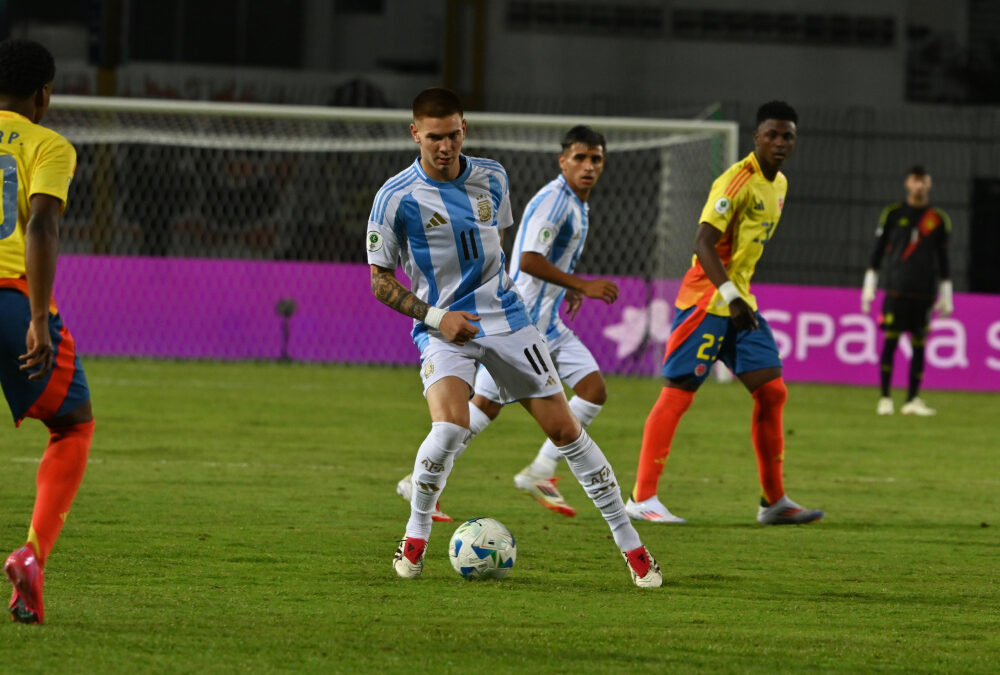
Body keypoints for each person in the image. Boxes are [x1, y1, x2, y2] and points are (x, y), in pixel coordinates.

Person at [368, 88, 661, 587]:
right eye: (434, 137)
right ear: (415, 133)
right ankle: (414, 538)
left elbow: (497, 249)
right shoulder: (394, 197)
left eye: (454, 134)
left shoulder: (492, 176)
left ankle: (634, 550)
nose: (445, 146)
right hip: (442, 328)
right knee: (449, 429)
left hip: (508, 320)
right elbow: (379, 283)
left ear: (466, 129)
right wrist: (439, 318)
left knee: (567, 431)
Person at [395, 125, 619, 518]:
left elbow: (542, 261)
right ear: (562, 160)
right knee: (481, 407)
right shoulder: (554, 201)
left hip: (548, 320)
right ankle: (420, 480)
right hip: (520, 320)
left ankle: (541, 470)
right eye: (580, 158)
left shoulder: (575, 203)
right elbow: (528, 258)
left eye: (596, 159)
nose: (588, 166)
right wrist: (582, 283)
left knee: (592, 389)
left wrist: (567, 288)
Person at [627, 101, 823, 526]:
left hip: (738, 303)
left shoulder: (780, 185)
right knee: (678, 392)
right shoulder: (737, 181)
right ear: (756, 138)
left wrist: (738, 298)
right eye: (771, 134)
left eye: (787, 135)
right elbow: (702, 242)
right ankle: (642, 497)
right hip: (706, 302)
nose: (780, 142)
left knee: (773, 391)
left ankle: (774, 502)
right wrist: (731, 295)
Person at [0, 39, 95, 624]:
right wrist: (38, 318)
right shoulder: (48, 144)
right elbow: (40, 222)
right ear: (43, 95)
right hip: (10, 298)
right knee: (71, 426)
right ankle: (32, 558)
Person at [861, 165, 952, 416]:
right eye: (915, 180)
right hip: (897, 288)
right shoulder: (893, 213)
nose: (920, 185)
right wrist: (869, 286)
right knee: (890, 340)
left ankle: (912, 399)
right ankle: (886, 398)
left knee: (920, 344)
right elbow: (877, 252)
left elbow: (943, 259)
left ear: (929, 184)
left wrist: (946, 293)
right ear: (908, 183)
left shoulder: (938, 219)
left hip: (924, 291)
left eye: (924, 181)